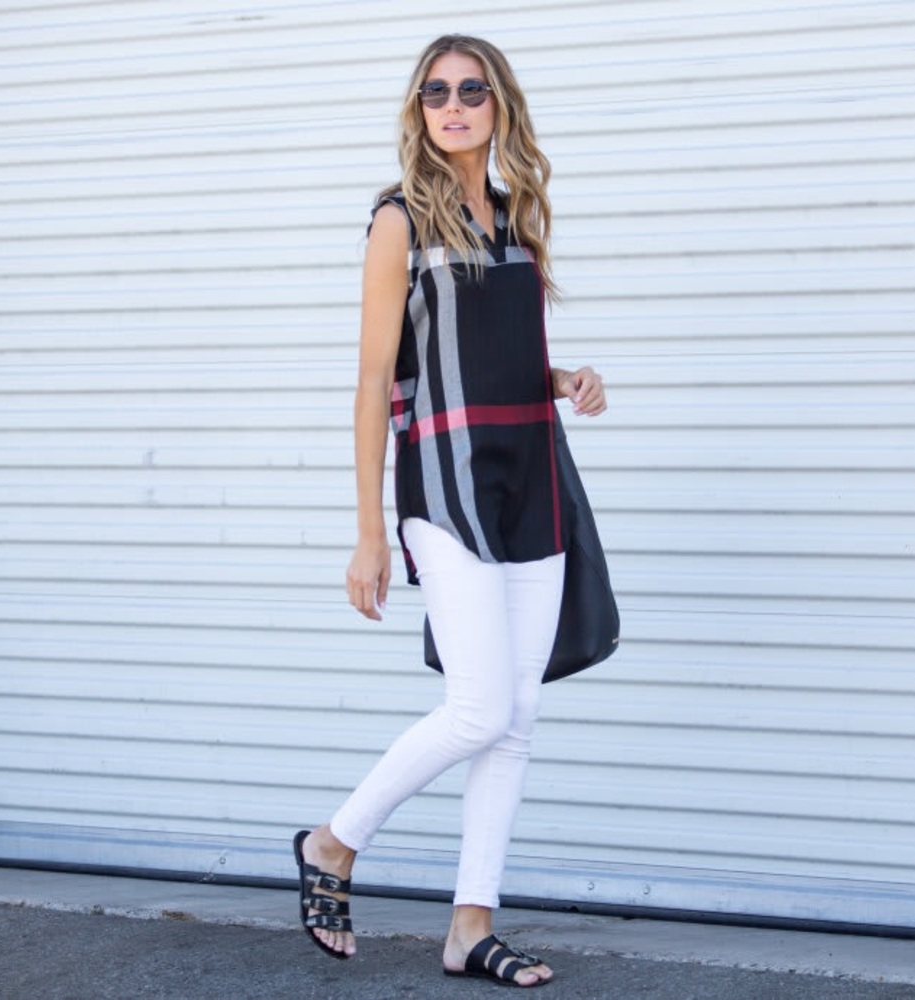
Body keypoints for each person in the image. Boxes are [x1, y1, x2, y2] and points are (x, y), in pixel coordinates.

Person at [295, 34, 607, 988]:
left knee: (513, 719)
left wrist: (564, 376)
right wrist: (365, 532)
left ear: (499, 104)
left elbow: (498, 353)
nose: (454, 105)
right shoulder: (397, 222)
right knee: (476, 708)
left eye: (472, 90)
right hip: (443, 479)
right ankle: (333, 843)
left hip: (531, 477)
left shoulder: (520, 218)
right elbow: (369, 383)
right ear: (419, 111)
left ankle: (471, 925)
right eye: (436, 92)